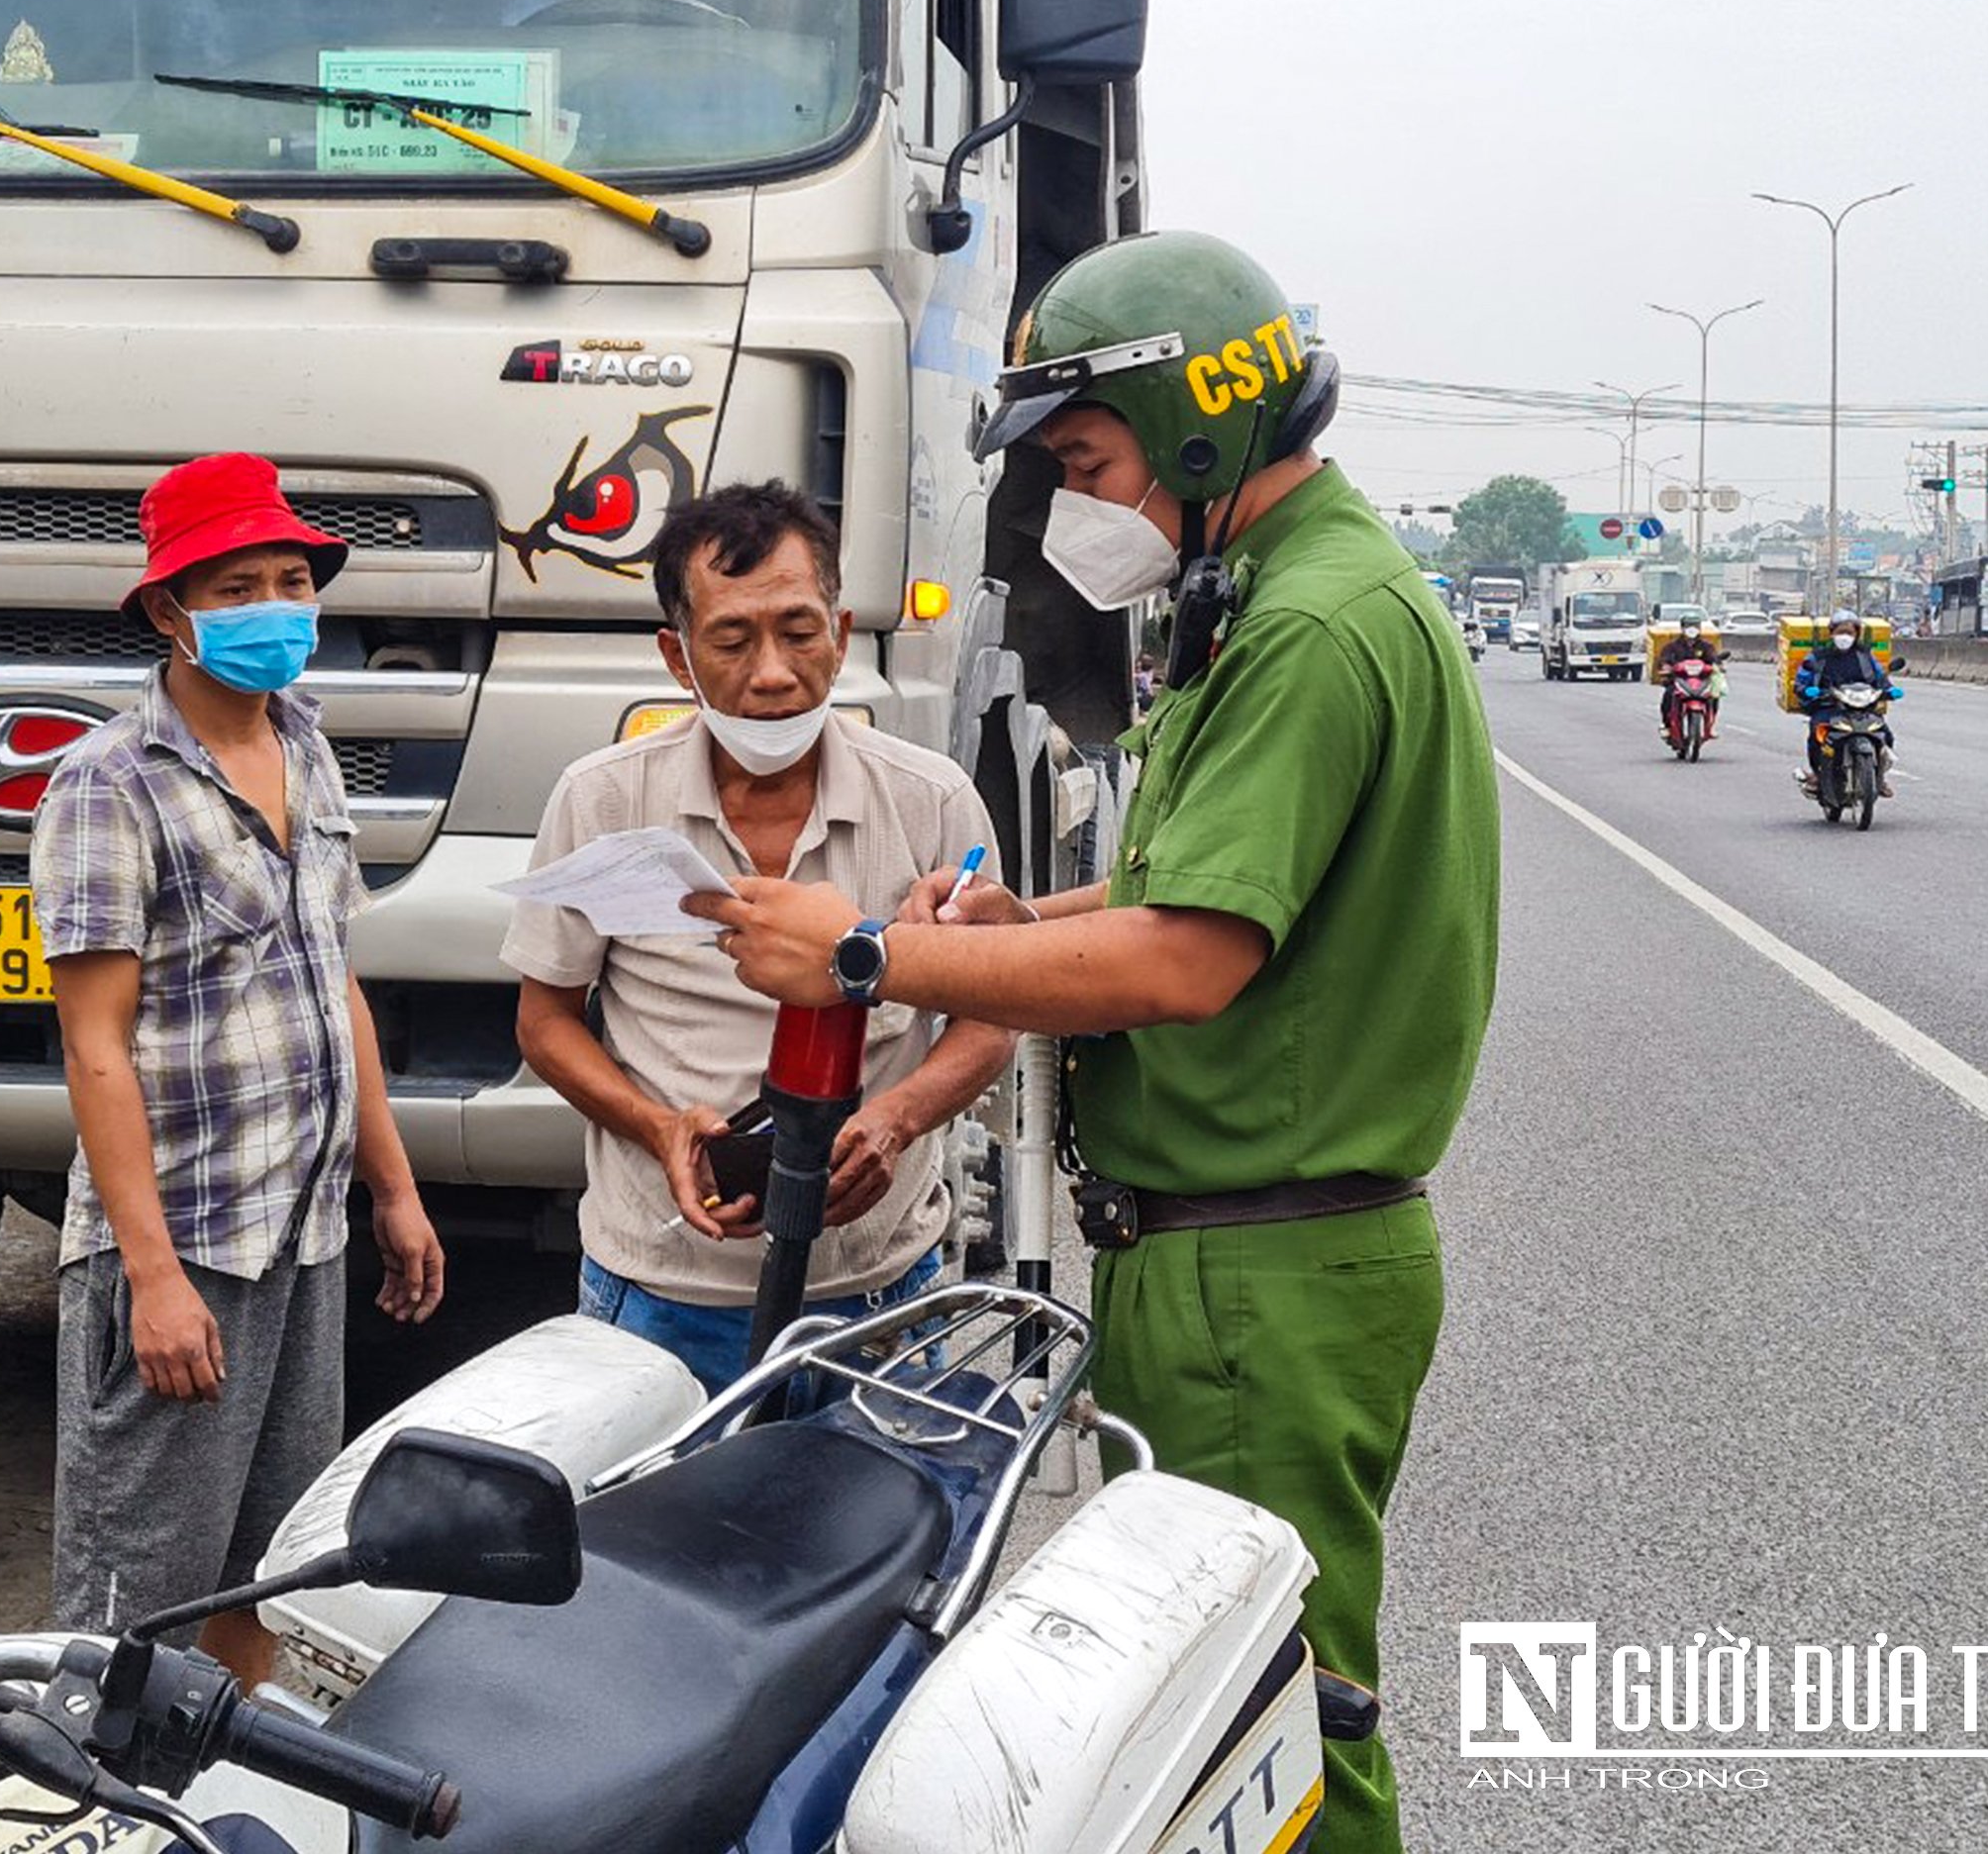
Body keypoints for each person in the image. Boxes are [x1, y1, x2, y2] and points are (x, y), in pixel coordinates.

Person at [683, 234, 1499, 1854]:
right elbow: (1173, 887)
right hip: (1224, 1267)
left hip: (1260, 1281)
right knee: (1202, 1727)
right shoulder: (1267, 597)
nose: (1076, 505)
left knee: (1273, 1730)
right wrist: (1015, 927)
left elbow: (1189, 962)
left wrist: (859, 953)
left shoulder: (1312, 630)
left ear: (1200, 436)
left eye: (1087, 461)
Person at [32, 452, 446, 1692]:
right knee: (133, 1603)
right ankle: (91, 1810)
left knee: (269, 1571)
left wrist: (394, 1187)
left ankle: (218, 1797)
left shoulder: (306, 748)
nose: (277, 608)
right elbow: (94, 1045)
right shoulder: (107, 785)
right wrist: (150, 1279)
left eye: (290, 580)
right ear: (169, 610)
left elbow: (336, 985)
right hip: (186, 1240)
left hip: (301, 1233)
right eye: (239, 585)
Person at [501, 481, 1017, 1394]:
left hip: (877, 1297)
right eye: (732, 641)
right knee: (652, 1537)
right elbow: (544, 1023)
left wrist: (897, 1121)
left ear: (843, 631)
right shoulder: (604, 798)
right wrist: (658, 1128)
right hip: (659, 1296)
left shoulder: (929, 799)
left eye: (799, 631)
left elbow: (991, 1016)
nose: (773, 672)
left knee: (873, 1534)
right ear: (677, 656)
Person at [1793, 609, 1901, 798]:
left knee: (1886, 735)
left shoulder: (1865, 655)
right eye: (1840, 632)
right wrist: (1806, 689)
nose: (1844, 637)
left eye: (1849, 633)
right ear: (1832, 633)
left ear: (1856, 634)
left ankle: (1879, 777)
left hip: (1862, 706)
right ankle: (1817, 776)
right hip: (1829, 706)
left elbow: (1879, 677)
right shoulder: (1818, 657)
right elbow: (1801, 679)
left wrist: (1889, 689)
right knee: (1816, 735)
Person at [1653, 615, 1729, 739]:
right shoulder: (1672, 646)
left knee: (1714, 697)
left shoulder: (1706, 646)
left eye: (1695, 626)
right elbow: (1664, 659)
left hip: (1701, 681)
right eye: (1688, 626)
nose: (1692, 630)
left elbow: (1713, 659)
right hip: (1678, 680)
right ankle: (1667, 726)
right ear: (1682, 628)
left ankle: (1710, 726)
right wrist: (1666, 667)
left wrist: (1718, 665)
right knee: (1668, 695)